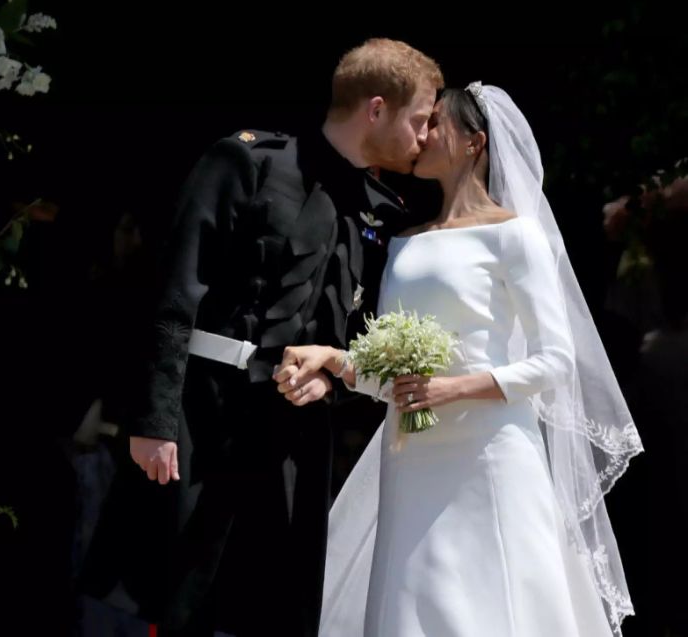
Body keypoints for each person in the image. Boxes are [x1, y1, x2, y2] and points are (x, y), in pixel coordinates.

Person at [81, 39, 443, 637]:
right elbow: (175, 293)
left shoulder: (379, 211)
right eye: (419, 118)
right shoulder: (247, 162)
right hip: (205, 411)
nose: (425, 135)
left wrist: (332, 382)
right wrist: (154, 420)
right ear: (376, 110)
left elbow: (363, 337)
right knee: (176, 596)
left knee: (273, 604)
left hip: (296, 435)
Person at [275, 84, 643, 636]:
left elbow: (555, 361)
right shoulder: (404, 242)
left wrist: (454, 388)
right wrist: (335, 359)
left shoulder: (514, 236)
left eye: (437, 125)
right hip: (411, 455)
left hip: (489, 451)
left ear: (474, 143)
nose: (422, 136)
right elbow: (391, 376)